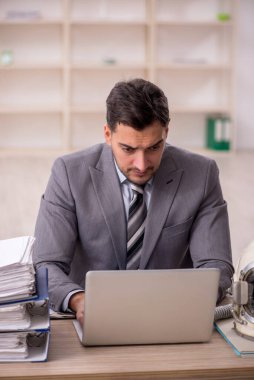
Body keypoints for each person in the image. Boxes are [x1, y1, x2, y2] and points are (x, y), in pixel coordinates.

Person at [33, 78, 234, 325]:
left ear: (166, 133)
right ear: (108, 134)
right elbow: (46, 263)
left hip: (171, 318)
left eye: (153, 148)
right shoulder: (68, 173)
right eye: (128, 149)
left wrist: (183, 302)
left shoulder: (202, 174)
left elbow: (217, 265)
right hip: (90, 318)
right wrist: (78, 299)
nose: (141, 164)